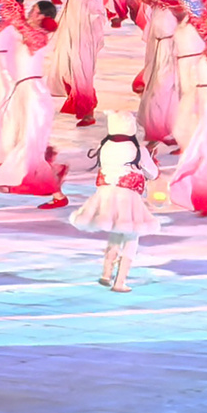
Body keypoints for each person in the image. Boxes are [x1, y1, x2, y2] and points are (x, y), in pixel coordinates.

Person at [68, 111, 161, 293]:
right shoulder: (137, 149)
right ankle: (120, 282)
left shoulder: (104, 146)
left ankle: (106, 273)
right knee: (131, 235)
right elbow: (153, 173)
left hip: (106, 193)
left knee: (116, 230)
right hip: (127, 196)